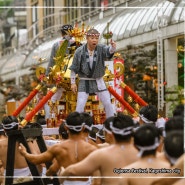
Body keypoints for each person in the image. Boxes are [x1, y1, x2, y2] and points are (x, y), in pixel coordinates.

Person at [18, 112, 97, 185]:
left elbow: (36, 160)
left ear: (66, 127)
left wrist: (24, 153)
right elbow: (98, 180)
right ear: (83, 128)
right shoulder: (91, 149)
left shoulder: (59, 148)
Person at [60, 113, 139, 185]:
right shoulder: (141, 153)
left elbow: (71, 170)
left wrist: (61, 176)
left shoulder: (102, 155)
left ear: (110, 134)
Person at [69, 28, 116, 118]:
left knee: (107, 103)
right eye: (92, 38)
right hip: (84, 81)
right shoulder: (79, 51)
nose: (94, 40)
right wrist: (73, 83)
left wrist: (113, 47)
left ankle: (110, 123)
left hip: (98, 80)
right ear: (87, 38)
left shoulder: (101, 48)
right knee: (80, 105)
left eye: (96, 38)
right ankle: (77, 124)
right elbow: (74, 68)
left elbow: (108, 51)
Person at [44, 24, 74, 120]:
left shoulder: (56, 45)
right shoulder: (78, 43)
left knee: (54, 98)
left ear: (61, 33)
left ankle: (51, 118)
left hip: (60, 77)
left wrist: (47, 75)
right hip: (75, 76)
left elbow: (52, 62)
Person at [0, 116, 33, 184]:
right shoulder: (27, 141)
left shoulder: (0, 144)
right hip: (27, 179)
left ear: (4, 130)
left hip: (8, 180)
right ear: (18, 127)